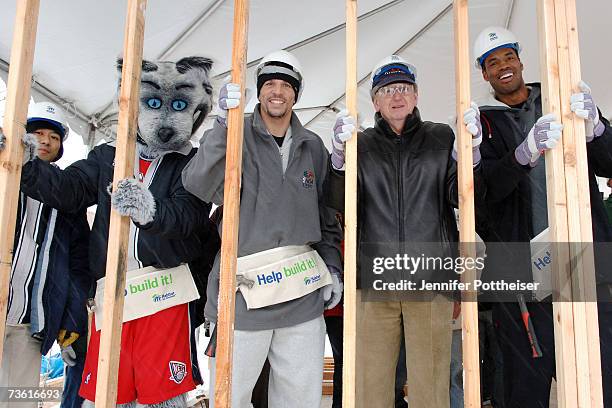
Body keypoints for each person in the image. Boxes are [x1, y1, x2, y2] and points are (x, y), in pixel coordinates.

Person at [18, 58, 218, 407]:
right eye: (153, 104)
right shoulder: (108, 156)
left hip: (164, 293)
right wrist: (28, 166)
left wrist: (149, 209)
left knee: (161, 396)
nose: (166, 120)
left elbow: (189, 216)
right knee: (111, 392)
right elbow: (69, 189)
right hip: (112, 293)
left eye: (179, 106)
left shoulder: (192, 161)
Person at [182, 49, 343, 408]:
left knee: (299, 399)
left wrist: (332, 265)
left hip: (301, 295)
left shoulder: (313, 146)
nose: (277, 92)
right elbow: (197, 183)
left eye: (285, 85)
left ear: (295, 94)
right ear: (258, 91)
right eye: (269, 83)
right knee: (230, 397)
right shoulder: (235, 136)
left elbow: (326, 215)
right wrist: (222, 125)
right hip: (242, 296)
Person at [326, 55, 484, 408]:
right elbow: (338, 202)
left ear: (416, 96)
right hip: (373, 281)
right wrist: (337, 158)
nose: (396, 96)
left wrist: (470, 155)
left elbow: (462, 196)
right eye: (386, 90)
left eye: (404, 88)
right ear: (375, 102)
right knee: (371, 387)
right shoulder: (360, 144)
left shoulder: (441, 137)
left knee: (431, 385)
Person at [471, 26, 612, 407]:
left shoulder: (559, 97)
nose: (503, 66)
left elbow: (609, 162)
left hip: (585, 259)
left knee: (599, 370)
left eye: (508, 56)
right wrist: (523, 153)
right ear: (484, 74)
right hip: (524, 271)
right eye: (492, 62)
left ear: (520, 59)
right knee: (526, 380)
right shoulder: (481, 124)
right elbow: (482, 195)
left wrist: (597, 127)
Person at [0, 102, 91, 408]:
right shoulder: (4, 176)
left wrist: (73, 320)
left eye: (54, 136)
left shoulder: (69, 194)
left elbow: (78, 265)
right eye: (38, 132)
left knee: (19, 401)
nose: (46, 141)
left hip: (32, 320)